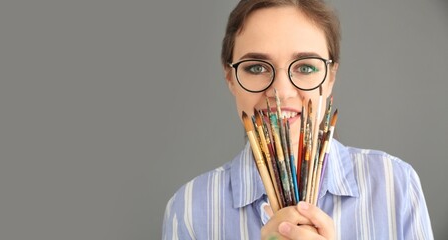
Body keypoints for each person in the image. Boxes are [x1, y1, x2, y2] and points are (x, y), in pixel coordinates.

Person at [162, 0, 433, 239]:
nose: (281, 91)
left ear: (330, 77)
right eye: (256, 67)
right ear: (230, 77)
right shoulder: (189, 209)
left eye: (305, 67)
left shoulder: (395, 185)